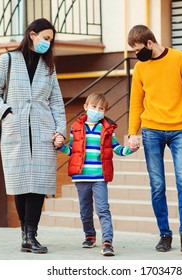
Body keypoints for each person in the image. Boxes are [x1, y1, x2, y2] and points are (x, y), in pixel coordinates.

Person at [0, 18, 66, 254]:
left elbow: (56, 102)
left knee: (38, 184)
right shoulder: (8, 60)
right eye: (46, 38)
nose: (49, 43)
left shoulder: (48, 66)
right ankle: (25, 234)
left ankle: (31, 234)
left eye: (51, 40)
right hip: (16, 130)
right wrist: (8, 112)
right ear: (32, 35)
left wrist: (61, 130)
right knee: (21, 183)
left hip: (43, 129)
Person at [127, 25, 182, 253]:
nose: (137, 55)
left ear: (150, 43)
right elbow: (135, 103)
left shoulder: (180, 59)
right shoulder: (141, 69)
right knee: (157, 185)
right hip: (151, 131)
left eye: (139, 50)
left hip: (181, 129)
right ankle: (164, 234)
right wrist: (133, 132)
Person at [54, 92, 139, 256]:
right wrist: (59, 146)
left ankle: (107, 242)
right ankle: (89, 235)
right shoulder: (75, 128)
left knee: (103, 210)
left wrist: (130, 149)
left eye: (101, 108)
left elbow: (118, 149)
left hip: (100, 177)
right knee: (85, 210)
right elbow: (71, 150)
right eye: (93, 107)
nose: (97, 110)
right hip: (81, 177)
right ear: (85, 107)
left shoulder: (107, 129)